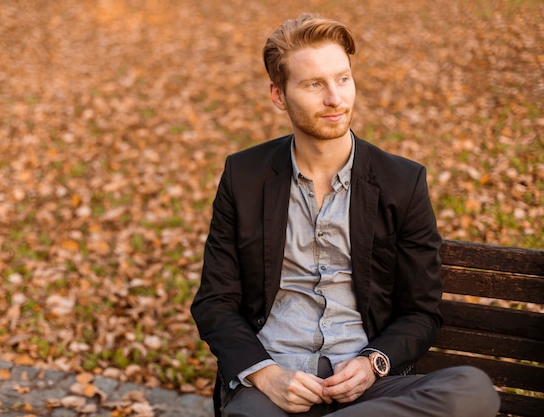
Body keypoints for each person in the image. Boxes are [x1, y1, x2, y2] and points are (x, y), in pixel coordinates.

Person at [191, 13, 500, 417]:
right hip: (272, 389)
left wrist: (373, 363)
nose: (335, 99)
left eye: (342, 78)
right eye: (314, 84)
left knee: (473, 390)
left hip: (367, 392)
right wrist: (266, 374)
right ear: (278, 95)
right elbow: (215, 302)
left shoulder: (401, 182)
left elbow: (421, 311)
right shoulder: (244, 176)